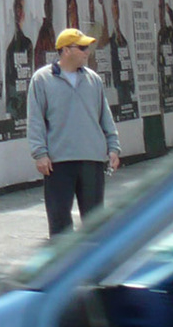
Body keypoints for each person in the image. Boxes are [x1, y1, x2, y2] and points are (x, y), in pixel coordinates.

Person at [27, 27, 122, 237]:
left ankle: (95, 257)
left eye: (87, 47)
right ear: (66, 50)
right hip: (58, 162)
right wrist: (40, 153)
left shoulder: (93, 80)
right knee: (59, 222)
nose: (87, 52)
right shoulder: (42, 80)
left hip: (92, 160)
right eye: (82, 47)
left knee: (95, 223)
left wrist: (113, 147)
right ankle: (64, 259)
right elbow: (35, 120)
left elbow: (104, 116)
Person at [4, 0, 35, 120]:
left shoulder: (27, 43)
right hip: (17, 107)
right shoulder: (10, 46)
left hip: (26, 106)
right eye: (16, 7)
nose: (18, 12)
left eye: (20, 7)